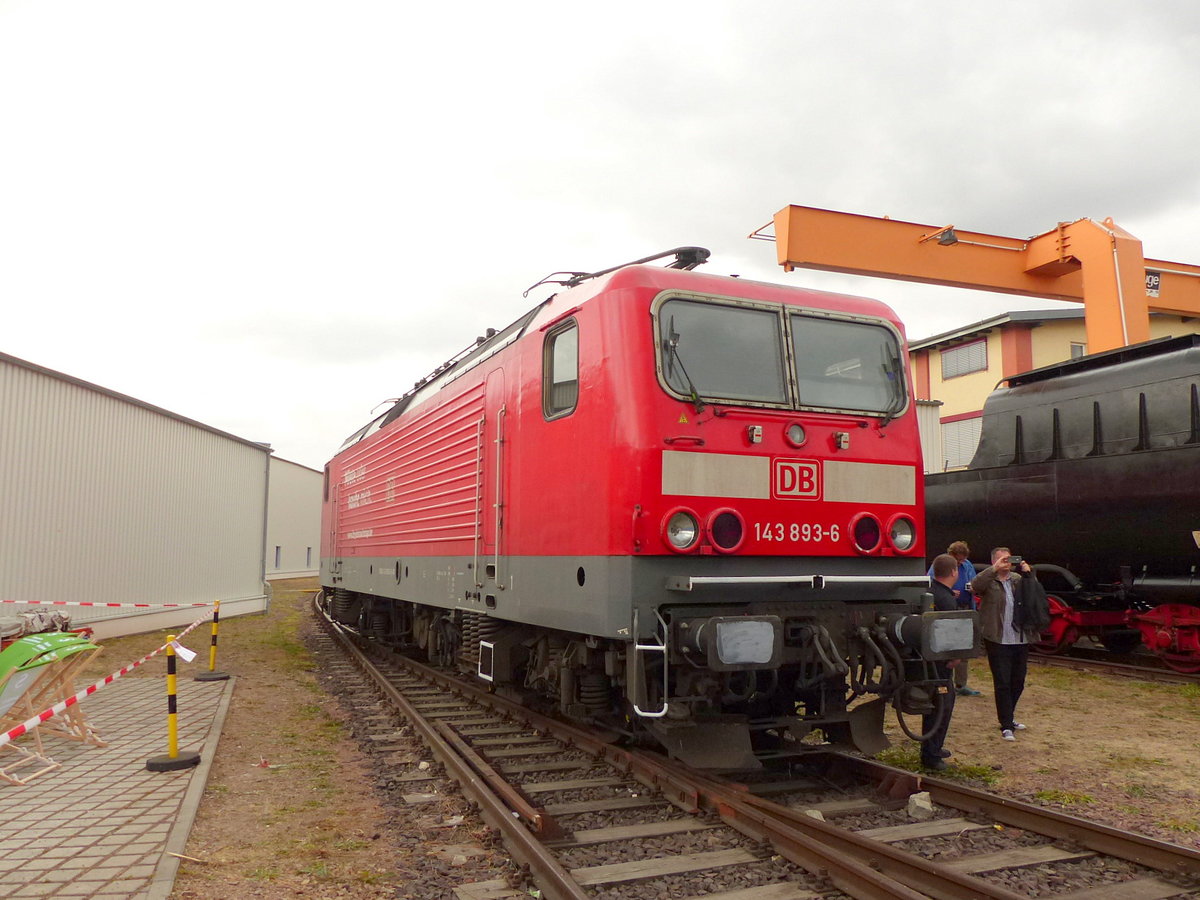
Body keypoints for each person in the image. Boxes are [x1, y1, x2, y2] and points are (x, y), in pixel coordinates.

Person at [971, 547, 1039, 741]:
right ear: (994, 561)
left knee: (1018, 681)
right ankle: (1006, 724)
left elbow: (1034, 594)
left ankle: (1010, 715)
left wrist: (1029, 574)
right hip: (998, 638)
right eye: (1002, 560)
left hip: (1019, 637)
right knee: (1002, 682)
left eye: (1009, 559)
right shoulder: (989, 581)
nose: (1006, 563)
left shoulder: (1017, 580)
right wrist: (993, 569)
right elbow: (975, 585)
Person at [920, 553, 960, 771]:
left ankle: (932, 747)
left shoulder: (930, 592)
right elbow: (951, 631)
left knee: (935, 704)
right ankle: (932, 754)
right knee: (942, 705)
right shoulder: (946, 599)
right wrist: (955, 656)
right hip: (942, 663)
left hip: (929, 659)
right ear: (954, 572)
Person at [929, 541, 980, 696]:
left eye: (962, 560)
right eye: (957, 561)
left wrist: (973, 587)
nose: (960, 564)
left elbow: (975, 580)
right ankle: (942, 682)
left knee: (963, 645)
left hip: (964, 606)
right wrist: (949, 592)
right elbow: (931, 581)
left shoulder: (967, 565)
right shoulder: (940, 564)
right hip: (947, 608)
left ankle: (961, 684)